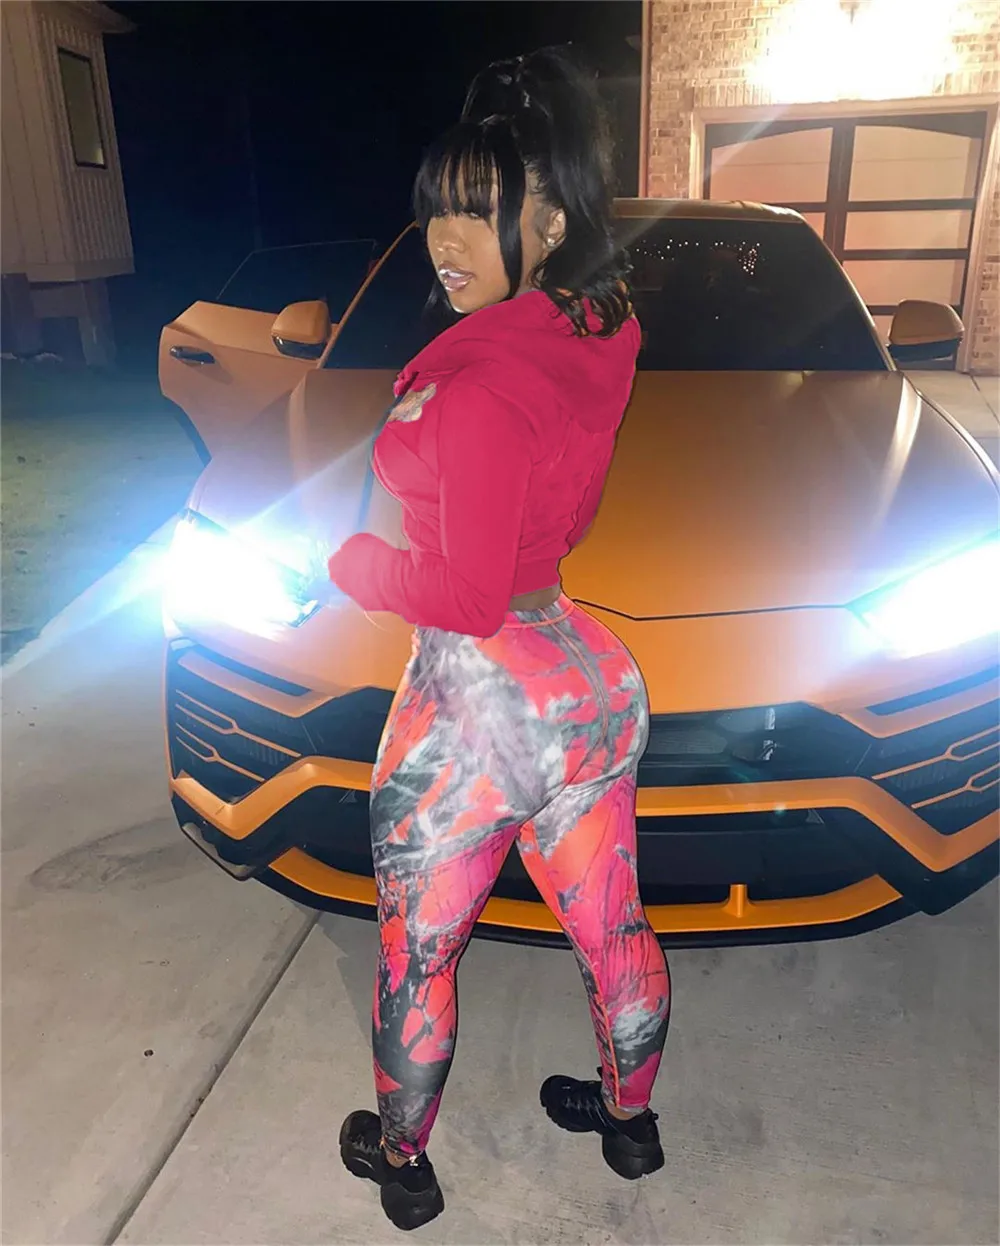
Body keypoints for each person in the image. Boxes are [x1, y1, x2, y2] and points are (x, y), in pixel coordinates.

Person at [326, 46, 671, 1232]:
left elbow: (465, 594)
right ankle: (629, 1121)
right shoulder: (598, 329)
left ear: (550, 219)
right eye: (437, 209)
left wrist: (355, 564)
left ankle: (401, 1159)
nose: (444, 240)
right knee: (612, 926)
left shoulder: (477, 387)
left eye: (480, 212)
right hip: (584, 681)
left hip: (474, 701)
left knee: (419, 955)